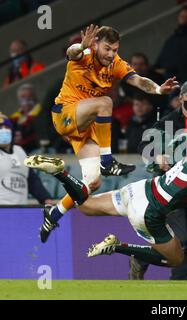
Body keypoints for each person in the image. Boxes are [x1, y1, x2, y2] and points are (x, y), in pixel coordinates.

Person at [24, 125, 187, 271]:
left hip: (139, 190)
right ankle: (117, 247)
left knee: (86, 207)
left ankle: (61, 174)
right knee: (175, 260)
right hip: (149, 212)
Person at [37, 24, 179, 243]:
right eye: (107, 49)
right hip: (64, 115)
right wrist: (81, 46)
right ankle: (107, 160)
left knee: (92, 183)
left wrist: (159, 89)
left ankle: (54, 213)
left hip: (84, 128)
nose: (111, 54)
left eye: (114, 49)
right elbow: (71, 52)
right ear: (95, 44)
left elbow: (139, 80)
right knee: (105, 102)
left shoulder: (116, 64)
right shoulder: (84, 53)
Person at [134, 81, 187, 280]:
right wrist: (157, 156)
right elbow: (144, 144)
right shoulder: (167, 121)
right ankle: (141, 259)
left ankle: (178, 284)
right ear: (181, 98)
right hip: (172, 188)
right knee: (180, 241)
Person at [0, 115, 55, 205]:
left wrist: (45, 198)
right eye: (0, 128)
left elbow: (32, 180)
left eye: (6, 127)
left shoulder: (20, 151)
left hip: (22, 209)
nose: (3, 130)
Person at [154, 5, 187, 82]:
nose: (185, 19)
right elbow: (160, 61)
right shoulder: (171, 40)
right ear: (178, 18)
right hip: (168, 79)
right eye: (183, 16)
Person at [10, 83, 42, 153]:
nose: (26, 99)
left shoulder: (41, 114)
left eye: (30, 96)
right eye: (23, 97)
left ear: (35, 98)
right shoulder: (14, 118)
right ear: (19, 100)